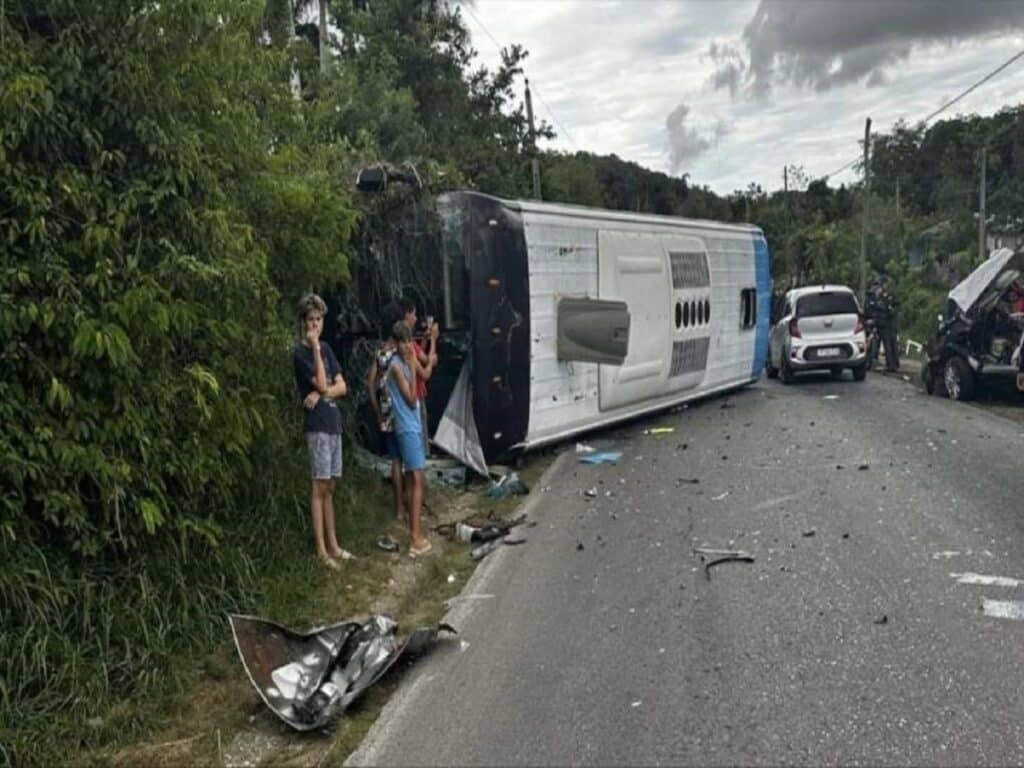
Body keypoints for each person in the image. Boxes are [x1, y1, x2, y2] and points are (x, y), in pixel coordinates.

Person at [293, 293, 351, 570]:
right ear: (304, 323)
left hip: (332, 421)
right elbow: (320, 380)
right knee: (319, 485)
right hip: (317, 426)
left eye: (319, 319)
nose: (316, 324)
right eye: (311, 320)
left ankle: (334, 543)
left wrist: (324, 391)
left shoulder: (329, 349)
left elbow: (341, 386)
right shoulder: (302, 353)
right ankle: (321, 550)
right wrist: (315, 349)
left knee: (330, 486)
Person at [386, 321, 431, 556]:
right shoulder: (395, 366)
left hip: (412, 425)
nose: (406, 347)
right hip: (406, 426)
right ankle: (414, 537)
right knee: (416, 477)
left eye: (408, 341)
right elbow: (412, 399)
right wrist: (413, 369)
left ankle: (416, 531)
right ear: (395, 343)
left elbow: (428, 370)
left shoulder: (404, 361)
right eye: (402, 342)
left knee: (417, 478)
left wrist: (429, 345)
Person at [365, 301, 406, 532]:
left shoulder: (380, 352)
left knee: (395, 461)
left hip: (386, 414)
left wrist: (377, 407)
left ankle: (398, 508)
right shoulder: (401, 352)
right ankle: (411, 506)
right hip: (402, 412)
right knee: (408, 459)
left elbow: (370, 382)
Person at [398, 298, 439, 456]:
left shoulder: (405, 343)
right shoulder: (408, 343)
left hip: (407, 395)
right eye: (414, 314)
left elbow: (416, 358)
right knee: (420, 440)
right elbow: (426, 366)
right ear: (407, 315)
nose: (416, 318)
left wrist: (424, 341)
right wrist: (433, 340)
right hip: (415, 395)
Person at [876, 280, 900, 373]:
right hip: (887, 324)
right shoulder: (883, 296)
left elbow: (893, 308)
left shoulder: (889, 296)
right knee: (890, 345)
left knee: (890, 345)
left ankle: (892, 364)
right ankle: (892, 364)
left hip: (889, 324)